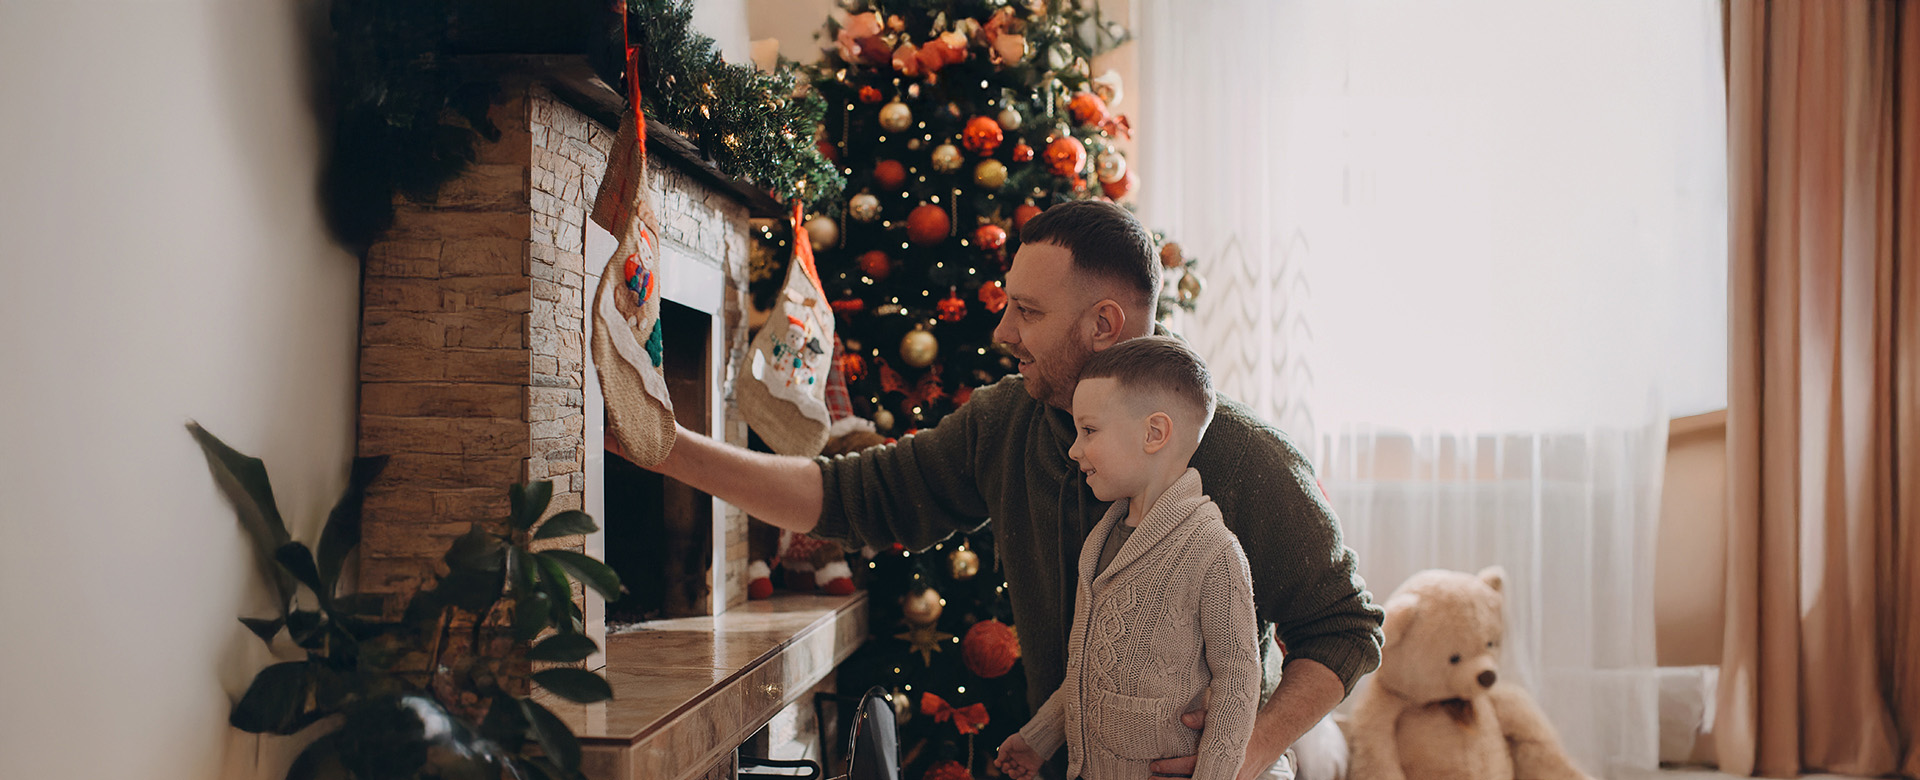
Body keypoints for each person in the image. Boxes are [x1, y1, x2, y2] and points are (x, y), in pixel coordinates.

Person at [635, 200, 1381, 780]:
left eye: (1027, 312)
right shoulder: (1007, 423)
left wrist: (1246, 752)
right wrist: (663, 445)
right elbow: (846, 497)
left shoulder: (1239, 456)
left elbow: (1346, 626)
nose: (1000, 332)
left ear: (1103, 324)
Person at [993, 336, 1260, 780]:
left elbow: (1238, 682)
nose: (1075, 449)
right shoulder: (1104, 537)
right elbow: (1090, 671)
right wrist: (1038, 739)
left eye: (1089, 431)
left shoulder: (1213, 551)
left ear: (1154, 434)